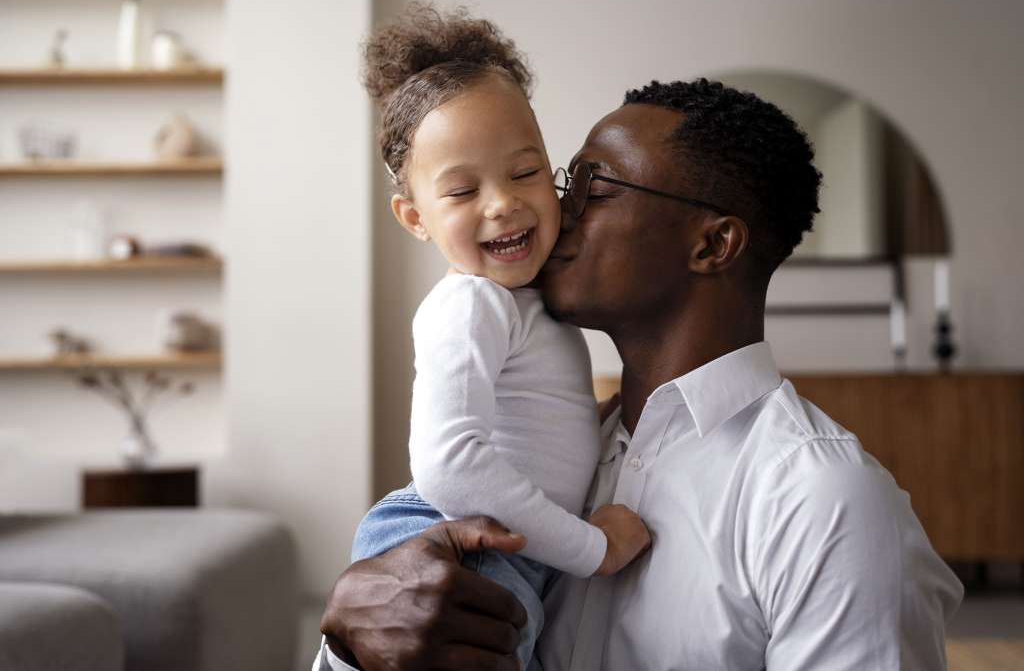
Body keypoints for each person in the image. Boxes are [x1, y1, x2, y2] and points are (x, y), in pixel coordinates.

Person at [317, 77, 964, 671]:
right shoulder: (555, 455)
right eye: (565, 182)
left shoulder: (824, 501)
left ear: (712, 244)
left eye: (593, 189)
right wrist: (351, 647)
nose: (550, 210)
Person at [333, 5, 651, 670]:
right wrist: (594, 546)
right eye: (462, 189)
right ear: (415, 217)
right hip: (456, 538)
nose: (501, 202)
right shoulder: (472, 301)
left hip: (515, 551)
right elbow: (450, 463)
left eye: (524, 171)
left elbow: (524, 426)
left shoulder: (527, 304)